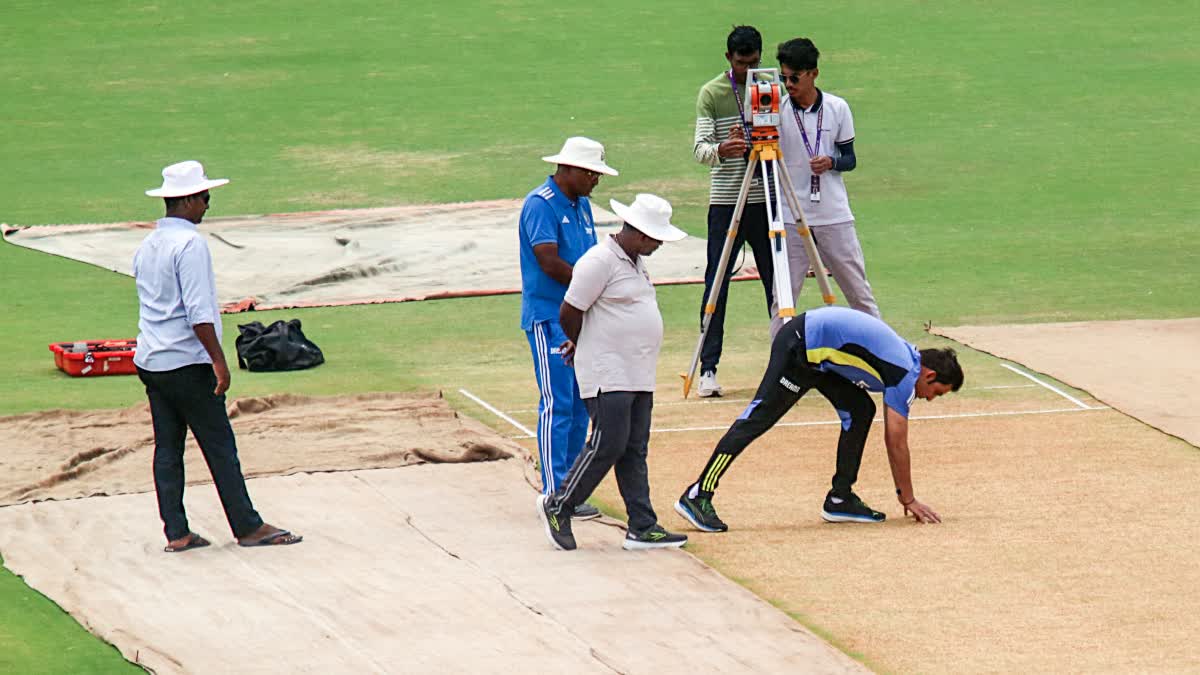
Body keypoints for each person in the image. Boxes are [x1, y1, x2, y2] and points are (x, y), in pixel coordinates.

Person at [135, 160, 302, 552]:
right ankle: (247, 526)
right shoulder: (190, 245)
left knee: (167, 448)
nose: (208, 205)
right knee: (220, 446)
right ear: (189, 199)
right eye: (205, 197)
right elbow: (199, 313)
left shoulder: (149, 244)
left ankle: (176, 531)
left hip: (152, 360)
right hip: (186, 363)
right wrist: (219, 361)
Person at [675, 306, 963, 531]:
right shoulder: (904, 373)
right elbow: (896, 440)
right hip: (799, 348)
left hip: (821, 361)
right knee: (758, 419)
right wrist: (908, 498)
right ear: (929, 375)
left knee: (861, 410)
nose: (929, 398)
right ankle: (698, 493)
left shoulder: (905, 359)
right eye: (935, 392)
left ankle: (840, 498)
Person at [536, 194, 690, 551]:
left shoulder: (635, 261)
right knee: (608, 443)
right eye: (655, 239)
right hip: (608, 371)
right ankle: (559, 505)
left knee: (634, 447)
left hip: (637, 371)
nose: (658, 246)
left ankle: (642, 526)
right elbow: (569, 312)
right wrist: (583, 344)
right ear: (636, 232)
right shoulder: (599, 261)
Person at [519, 137, 618, 519]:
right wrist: (592, 288)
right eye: (592, 173)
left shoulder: (582, 205)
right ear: (570, 169)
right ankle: (552, 492)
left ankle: (571, 490)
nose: (597, 180)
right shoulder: (540, 205)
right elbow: (549, 261)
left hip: (579, 316)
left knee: (580, 405)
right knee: (557, 403)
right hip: (549, 317)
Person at [693, 25, 777, 397]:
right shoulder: (712, 93)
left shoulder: (769, 87)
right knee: (717, 282)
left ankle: (785, 364)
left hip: (766, 199)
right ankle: (708, 369)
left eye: (755, 63)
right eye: (742, 63)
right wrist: (720, 150)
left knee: (777, 282)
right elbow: (699, 148)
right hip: (727, 201)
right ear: (729, 58)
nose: (748, 71)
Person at [775, 37, 880, 323]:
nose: (789, 85)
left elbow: (850, 159)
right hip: (791, 216)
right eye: (784, 78)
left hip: (833, 214)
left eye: (795, 77)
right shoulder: (777, 112)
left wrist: (831, 162)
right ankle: (779, 363)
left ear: (813, 74)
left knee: (858, 292)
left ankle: (886, 359)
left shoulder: (837, 108)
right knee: (783, 299)